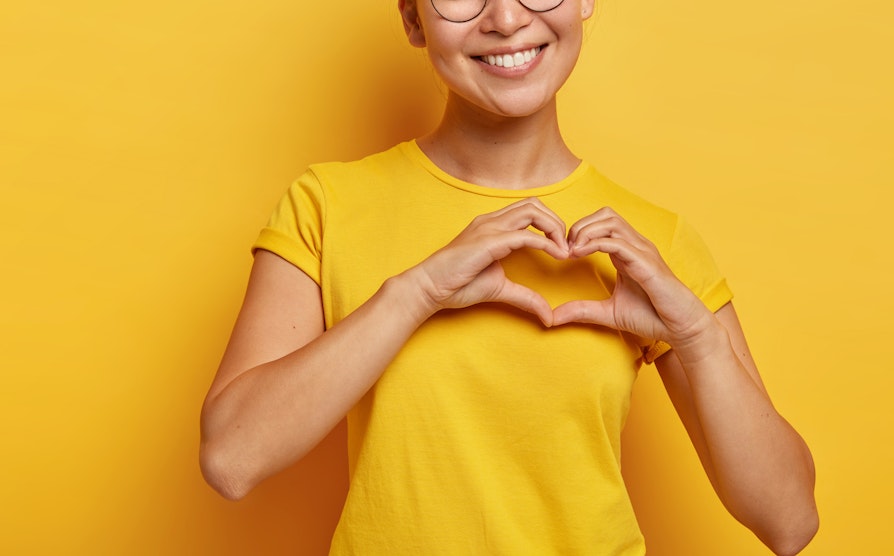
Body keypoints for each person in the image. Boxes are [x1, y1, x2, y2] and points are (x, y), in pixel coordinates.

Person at [199, 0, 819, 554]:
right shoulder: (327, 205)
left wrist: (698, 339)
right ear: (413, 19)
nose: (505, 18)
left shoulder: (654, 243)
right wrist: (416, 292)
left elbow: (788, 522)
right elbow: (232, 458)